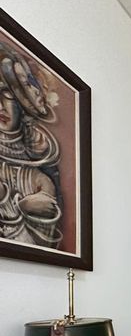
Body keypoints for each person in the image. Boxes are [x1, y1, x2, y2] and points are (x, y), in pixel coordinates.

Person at [0, 41, 63, 248]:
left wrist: (25, 206)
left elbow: (40, 249)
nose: (0, 106)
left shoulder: (40, 175)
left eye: (6, 94)